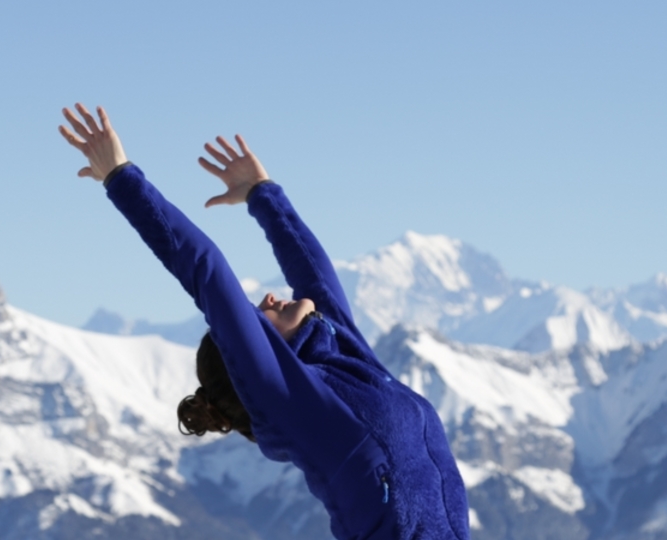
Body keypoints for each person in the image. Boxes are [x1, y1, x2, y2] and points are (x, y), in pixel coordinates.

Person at [58, 103, 469, 540]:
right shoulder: (288, 400)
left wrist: (262, 194)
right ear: (253, 352)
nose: (270, 297)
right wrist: (121, 178)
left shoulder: (344, 358)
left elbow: (313, 271)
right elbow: (204, 268)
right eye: (259, 314)